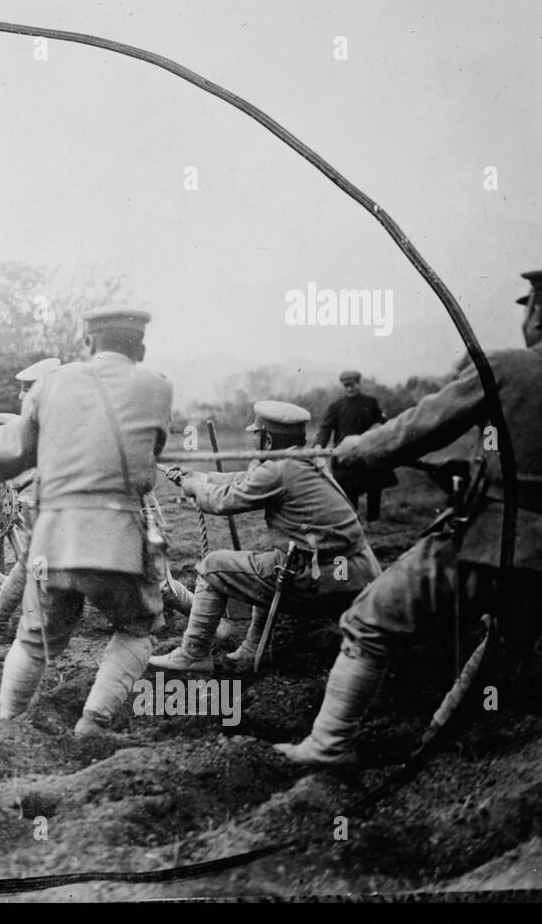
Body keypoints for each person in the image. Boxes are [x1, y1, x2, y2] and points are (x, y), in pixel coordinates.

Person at [276, 271, 542, 767]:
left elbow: (415, 428)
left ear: (538, 312)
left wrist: (357, 452)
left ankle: (328, 745)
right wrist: (471, 471)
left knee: (368, 619)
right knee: (506, 640)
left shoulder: (506, 368)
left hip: (492, 541)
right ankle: (441, 741)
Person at [0, 308, 173, 738]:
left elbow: (3, 461)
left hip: (54, 543)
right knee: (137, 630)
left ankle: (8, 724)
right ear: (140, 347)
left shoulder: (49, 385)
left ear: (88, 343)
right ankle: (94, 724)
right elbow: (151, 447)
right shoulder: (158, 388)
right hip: (120, 540)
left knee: (33, 639)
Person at [151, 401, 382, 674]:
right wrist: (200, 476)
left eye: (255, 434)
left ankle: (193, 654)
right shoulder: (304, 460)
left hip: (322, 578)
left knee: (214, 566)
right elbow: (248, 479)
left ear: (268, 438)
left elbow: (222, 502)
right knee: (268, 562)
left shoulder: (280, 470)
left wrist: (193, 487)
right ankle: (252, 649)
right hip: (357, 574)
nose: (252, 439)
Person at [0, 356, 60, 638]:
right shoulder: (60, 416)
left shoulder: (50, 422)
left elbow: (3, 463)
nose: (21, 395)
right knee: (32, 558)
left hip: (79, 508)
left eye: (27, 387)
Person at [315, 371, 396, 520]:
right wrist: (319, 444)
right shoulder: (336, 406)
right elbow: (325, 428)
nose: (350, 389)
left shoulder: (371, 403)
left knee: (374, 487)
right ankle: (352, 522)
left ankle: (374, 520)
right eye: (347, 386)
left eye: (352, 385)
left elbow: (381, 422)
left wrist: (381, 427)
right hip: (346, 458)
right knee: (348, 492)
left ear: (359, 384)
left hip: (368, 455)